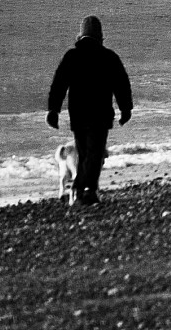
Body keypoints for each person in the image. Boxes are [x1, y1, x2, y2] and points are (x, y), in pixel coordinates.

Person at [47, 16, 132, 205]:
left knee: (85, 154)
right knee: (94, 154)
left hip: (78, 114)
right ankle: (85, 189)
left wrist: (54, 110)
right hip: (100, 115)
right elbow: (122, 85)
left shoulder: (72, 56)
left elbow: (59, 84)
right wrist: (126, 109)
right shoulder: (109, 57)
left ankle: (83, 190)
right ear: (101, 36)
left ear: (80, 36)